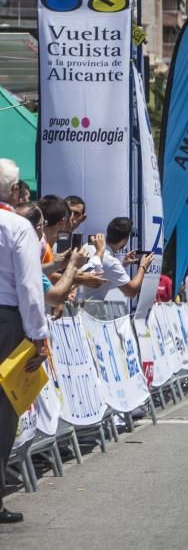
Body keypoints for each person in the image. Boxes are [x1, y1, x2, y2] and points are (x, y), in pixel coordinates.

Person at [0, 159, 48, 523]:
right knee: (3, 409)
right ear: (15, 192)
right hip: (7, 320)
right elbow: (31, 288)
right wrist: (39, 337)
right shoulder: (18, 226)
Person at [77, 217, 154, 301]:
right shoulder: (112, 262)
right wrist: (143, 267)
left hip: (73, 304)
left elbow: (100, 268)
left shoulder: (88, 245)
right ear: (124, 240)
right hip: (90, 309)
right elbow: (131, 291)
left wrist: (122, 264)